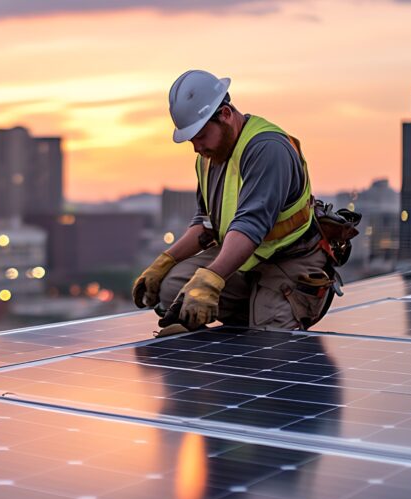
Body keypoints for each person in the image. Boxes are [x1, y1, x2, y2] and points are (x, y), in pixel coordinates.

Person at [133, 70, 335, 334]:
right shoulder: (209, 158)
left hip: (289, 258)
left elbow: (250, 226)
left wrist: (211, 280)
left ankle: (264, 310)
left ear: (226, 114)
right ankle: (248, 310)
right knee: (173, 288)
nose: (196, 147)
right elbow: (204, 224)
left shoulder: (268, 148)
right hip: (246, 259)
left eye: (201, 136)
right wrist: (165, 261)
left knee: (270, 340)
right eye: (192, 140)